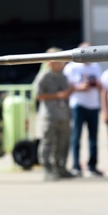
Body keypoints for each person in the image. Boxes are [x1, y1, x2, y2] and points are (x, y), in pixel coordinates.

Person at [32, 50, 74, 181]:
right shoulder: (44, 76)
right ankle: (48, 168)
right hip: (49, 115)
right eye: (60, 60)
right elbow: (37, 95)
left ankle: (60, 167)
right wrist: (57, 96)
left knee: (63, 142)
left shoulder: (63, 76)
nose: (62, 63)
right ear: (51, 62)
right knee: (48, 142)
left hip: (63, 114)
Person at [63, 44, 103, 176]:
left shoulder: (96, 67)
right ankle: (76, 166)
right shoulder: (71, 67)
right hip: (78, 105)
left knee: (93, 138)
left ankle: (92, 166)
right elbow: (65, 88)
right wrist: (78, 87)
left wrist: (97, 85)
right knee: (76, 137)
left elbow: (102, 87)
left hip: (93, 106)